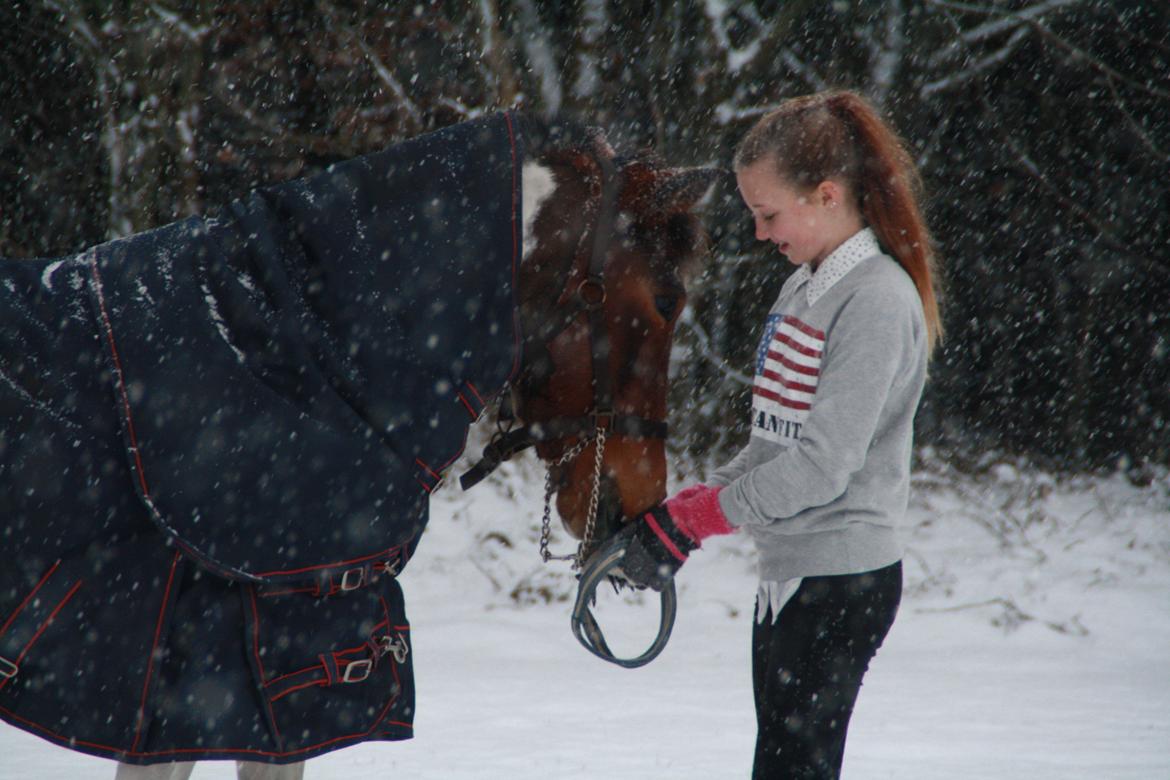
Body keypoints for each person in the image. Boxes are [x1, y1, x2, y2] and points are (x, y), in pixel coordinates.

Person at [619, 90, 942, 779]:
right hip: (792, 574)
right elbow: (774, 447)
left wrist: (698, 521)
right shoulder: (805, 287)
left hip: (841, 578)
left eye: (768, 214)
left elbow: (821, 467)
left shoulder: (876, 300)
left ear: (827, 195)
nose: (761, 233)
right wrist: (680, 515)